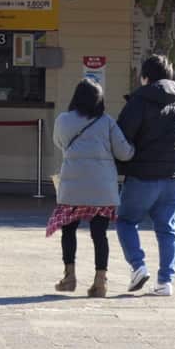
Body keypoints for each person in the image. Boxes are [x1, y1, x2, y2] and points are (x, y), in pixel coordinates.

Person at [113, 53, 175, 297]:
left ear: (145, 77)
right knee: (167, 229)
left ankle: (138, 266)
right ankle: (165, 281)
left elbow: (121, 138)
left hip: (142, 176)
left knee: (125, 221)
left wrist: (118, 169)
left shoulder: (137, 102)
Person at [46, 79, 134, 297]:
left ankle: (69, 276)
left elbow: (59, 143)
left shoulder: (63, 120)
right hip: (102, 190)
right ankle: (100, 282)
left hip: (72, 187)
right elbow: (124, 153)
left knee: (68, 230)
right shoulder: (107, 122)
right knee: (99, 234)